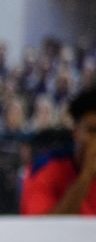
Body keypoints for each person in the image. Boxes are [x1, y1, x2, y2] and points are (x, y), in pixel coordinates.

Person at [20, 87, 96, 215]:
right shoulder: (46, 168)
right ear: (76, 132)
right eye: (93, 131)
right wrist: (86, 176)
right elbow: (40, 225)